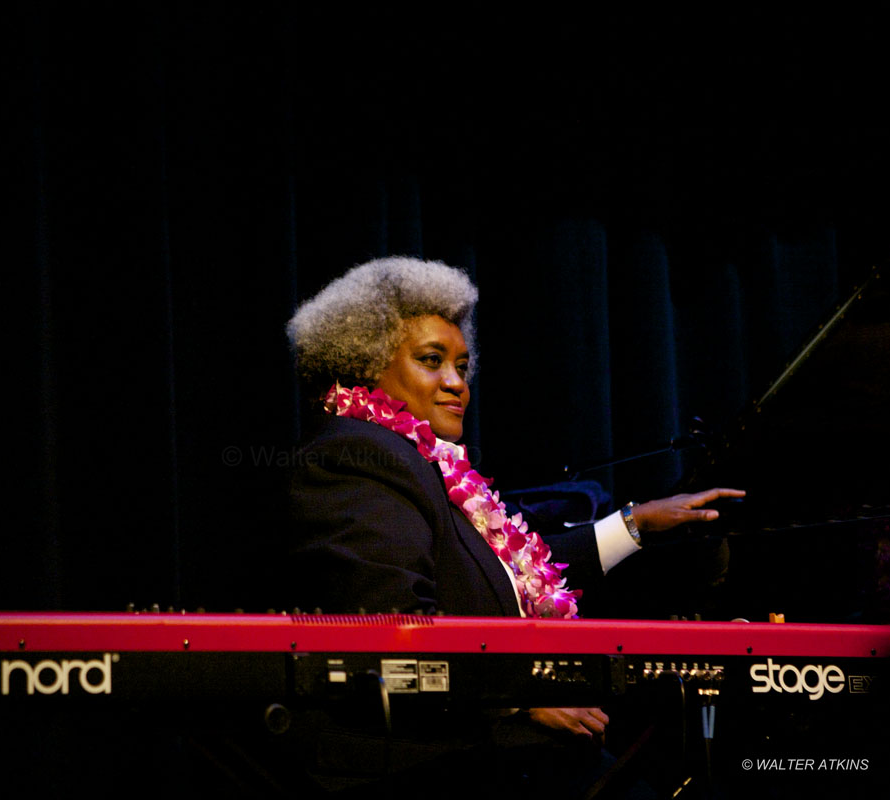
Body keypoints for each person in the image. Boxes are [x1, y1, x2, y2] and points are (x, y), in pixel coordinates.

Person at [282, 255, 743, 793]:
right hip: (425, 769)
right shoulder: (359, 455)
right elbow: (393, 627)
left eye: (462, 365)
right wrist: (522, 697)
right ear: (364, 366)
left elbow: (505, 574)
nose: (456, 383)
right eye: (432, 360)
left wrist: (633, 523)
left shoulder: (426, 464)